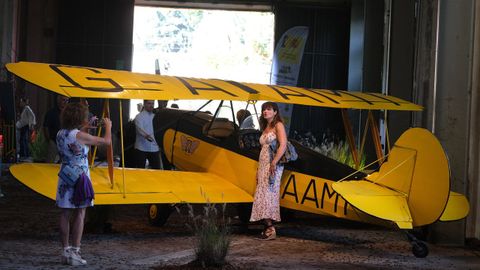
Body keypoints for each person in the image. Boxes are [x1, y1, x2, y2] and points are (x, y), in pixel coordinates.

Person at [56, 102, 111, 265]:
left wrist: (86, 127)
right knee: (80, 213)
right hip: (80, 177)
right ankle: (76, 251)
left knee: (65, 213)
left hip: (65, 175)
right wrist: (108, 126)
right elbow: (106, 142)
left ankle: (65, 251)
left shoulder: (61, 133)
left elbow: (76, 144)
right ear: (79, 118)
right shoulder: (79, 135)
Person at [249, 102, 287, 240]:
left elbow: (282, 145)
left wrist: (274, 162)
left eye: (269, 109)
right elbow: (263, 150)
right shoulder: (266, 127)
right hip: (264, 165)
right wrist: (259, 169)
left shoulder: (278, 125)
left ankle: (270, 228)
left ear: (275, 112)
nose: (266, 111)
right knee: (261, 195)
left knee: (268, 195)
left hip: (273, 165)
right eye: (264, 109)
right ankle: (268, 227)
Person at [134, 100, 161, 169]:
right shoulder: (139, 116)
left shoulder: (156, 116)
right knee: (140, 170)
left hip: (154, 148)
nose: (151, 105)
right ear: (144, 104)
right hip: (141, 148)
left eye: (152, 103)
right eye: (149, 103)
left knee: (157, 170)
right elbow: (140, 130)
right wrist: (147, 136)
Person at [44, 95, 69, 163]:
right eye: (63, 100)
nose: (65, 102)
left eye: (67, 100)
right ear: (58, 100)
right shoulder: (51, 112)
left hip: (65, 142)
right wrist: (49, 140)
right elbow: (46, 127)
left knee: (65, 164)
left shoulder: (69, 113)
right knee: (49, 162)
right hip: (54, 141)